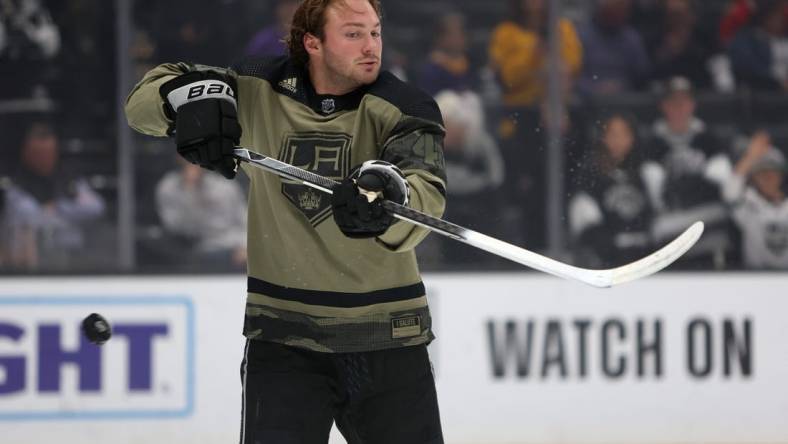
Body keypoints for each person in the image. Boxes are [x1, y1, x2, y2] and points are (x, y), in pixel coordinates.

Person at [125, 0, 447, 442]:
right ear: (312, 43)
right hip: (283, 340)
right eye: (353, 34)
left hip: (388, 338)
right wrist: (193, 100)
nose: (371, 46)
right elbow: (140, 103)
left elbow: (425, 200)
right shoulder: (259, 86)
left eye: (375, 32)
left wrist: (391, 198)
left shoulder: (405, 106)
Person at [3, 119, 106, 271]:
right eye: (39, 153)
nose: (45, 156)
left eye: (49, 151)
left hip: (76, 259)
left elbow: (96, 207)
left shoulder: (70, 178)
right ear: (27, 153)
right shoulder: (17, 186)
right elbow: (28, 215)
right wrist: (69, 213)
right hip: (33, 264)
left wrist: (58, 207)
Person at [569, 113, 655, 267]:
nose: (618, 141)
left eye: (624, 134)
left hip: (646, 259)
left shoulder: (647, 173)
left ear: (632, 138)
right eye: (613, 134)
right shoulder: (590, 176)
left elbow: (657, 218)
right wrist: (613, 247)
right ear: (603, 138)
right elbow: (587, 226)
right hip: (608, 263)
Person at [154, 156, 247, 271]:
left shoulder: (225, 186)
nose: (193, 162)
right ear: (179, 159)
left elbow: (244, 221)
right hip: (197, 246)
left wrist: (244, 247)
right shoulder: (169, 187)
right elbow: (176, 227)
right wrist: (190, 191)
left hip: (232, 245)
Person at [488, 0, 583, 106]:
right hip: (519, 106)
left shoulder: (563, 28)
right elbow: (507, 80)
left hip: (560, 107)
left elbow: (574, 67)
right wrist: (533, 55)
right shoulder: (506, 32)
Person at [723, 132, 788, 268]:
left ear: (781, 175)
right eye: (762, 173)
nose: (767, 177)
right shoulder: (748, 203)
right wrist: (751, 156)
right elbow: (731, 190)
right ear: (753, 178)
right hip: (754, 281)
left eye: (772, 172)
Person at [577, 0, 651, 97]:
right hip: (589, 101)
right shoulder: (581, 37)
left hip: (626, 99)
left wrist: (622, 85)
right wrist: (594, 88)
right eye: (615, 10)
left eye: (623, 10)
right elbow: (574, 76)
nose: (620, 14)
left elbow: (642, 75)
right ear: (602, 10)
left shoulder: (632, 39)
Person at [728, 0, 788, 91]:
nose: (780, 20)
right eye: (775, 16)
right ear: (765, 17)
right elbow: (747, 66)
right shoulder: (748, 38)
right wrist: (777, 82)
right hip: (764, 94)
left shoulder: (784, 37)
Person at [416, 12, 476, 96]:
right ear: (440, 38)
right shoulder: (433, 66)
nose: (457, 39)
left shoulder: (470, 61)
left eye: (461, 34)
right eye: (452, 34)